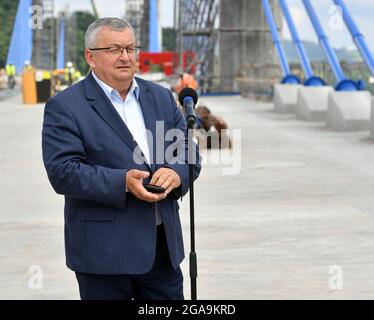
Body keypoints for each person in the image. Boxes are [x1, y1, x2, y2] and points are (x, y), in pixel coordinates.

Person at [42, 17, 201, 300]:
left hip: (161, 251)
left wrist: (177, 172)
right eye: (114, 49)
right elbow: (63, 171)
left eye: (131, 48)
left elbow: (187, 149)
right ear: (90, 57)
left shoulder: (161, 97)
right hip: (104, 255)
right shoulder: (65, 107)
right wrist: (123, 182)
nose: (125, 57)